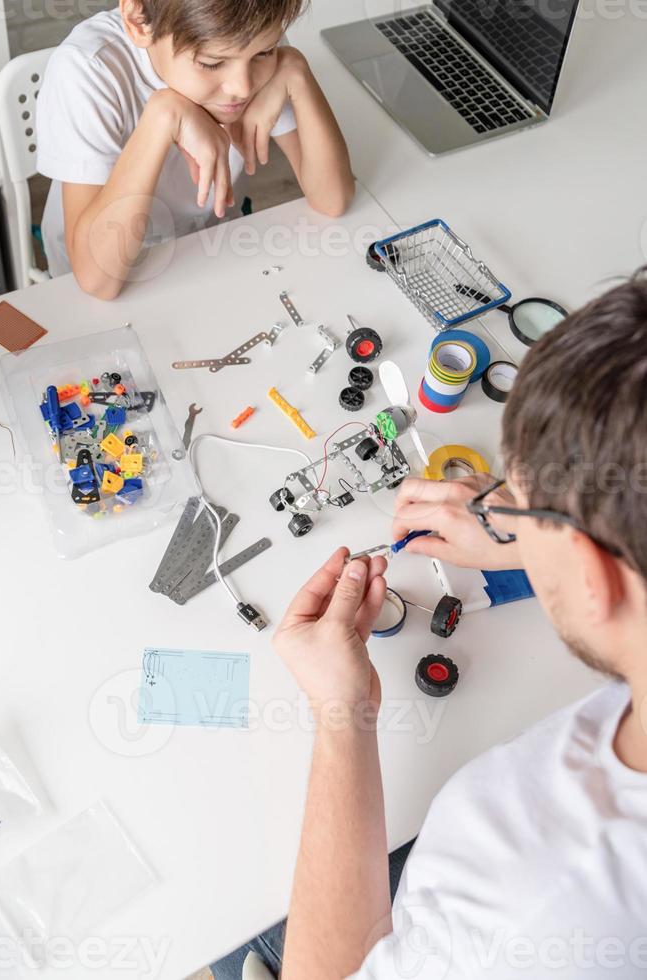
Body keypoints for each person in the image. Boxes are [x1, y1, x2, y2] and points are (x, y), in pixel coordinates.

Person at [212, 270, 647, 979]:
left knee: (232, 936)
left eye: (522, 507)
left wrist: (342, 711)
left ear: (593, 576)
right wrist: (538, 536)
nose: (495, 509)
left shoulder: (536, 903)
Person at [36, 0, 353, 298]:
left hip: (209, 252)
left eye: (266, 51)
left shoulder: (247, 39)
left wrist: (296, 70)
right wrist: (163, 117)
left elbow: (332, 199)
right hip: (111, 273)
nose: (242, 88)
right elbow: (98, 281)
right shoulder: (88, 69)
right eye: (212, 63)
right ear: (138, 22)